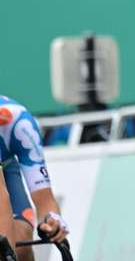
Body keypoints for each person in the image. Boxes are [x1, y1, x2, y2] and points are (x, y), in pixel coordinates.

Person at [0, 96, 69, 261]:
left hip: (6, 169)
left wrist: (52, 220)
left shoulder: (18, 122)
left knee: (19, 245)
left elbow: (45, 202)